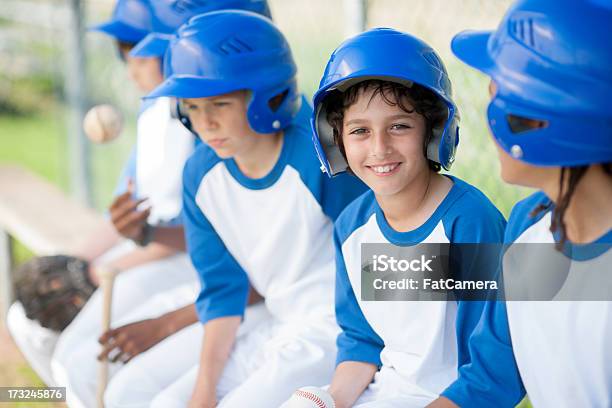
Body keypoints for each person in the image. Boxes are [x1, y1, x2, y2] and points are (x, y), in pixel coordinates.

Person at [140, 10, 367, 407]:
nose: (205, 123)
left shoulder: (318, 157)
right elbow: (223, 290)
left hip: (336, 331)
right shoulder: (201, 172)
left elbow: (380, 254)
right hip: (279, 322)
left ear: (267, 95)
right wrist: (204, 389)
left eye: (220, 103)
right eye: (191, 107)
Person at [285, 28, 506, 407]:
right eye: (359, 131)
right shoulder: (353, 225)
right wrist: (329, 400)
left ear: (433, 130)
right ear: (336, 140)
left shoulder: (469, 221)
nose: (379, 148)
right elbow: (363, 341)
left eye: (399, 126)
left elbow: (491, 368)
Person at [427, 0, 612, 407]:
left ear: (539, 122)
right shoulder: (528, 223)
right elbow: (490, 380)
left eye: (496, 96)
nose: (483, 113)